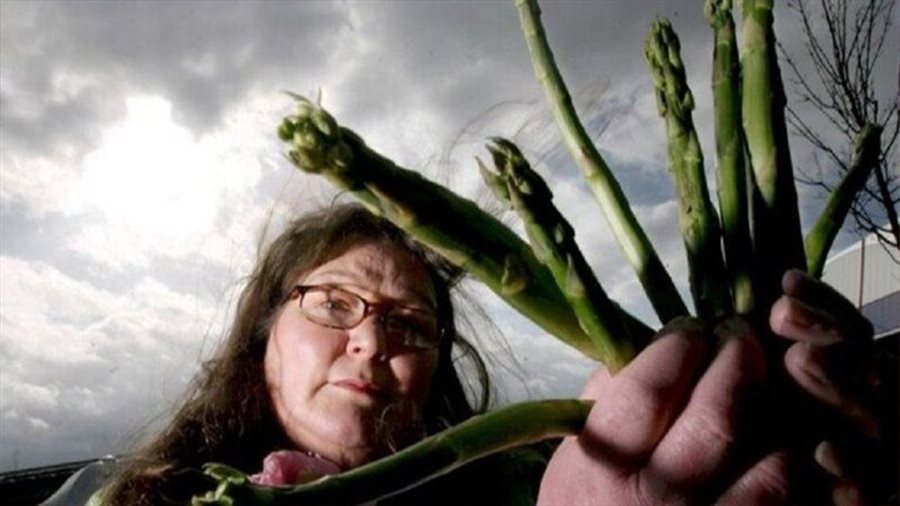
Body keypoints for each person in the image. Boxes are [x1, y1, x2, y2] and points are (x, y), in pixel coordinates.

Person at [88, 202, 894, 505]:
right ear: (264, 328)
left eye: (411, 326)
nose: (372, 339)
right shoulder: (134, 499)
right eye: (333, 304)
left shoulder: (517, 488)